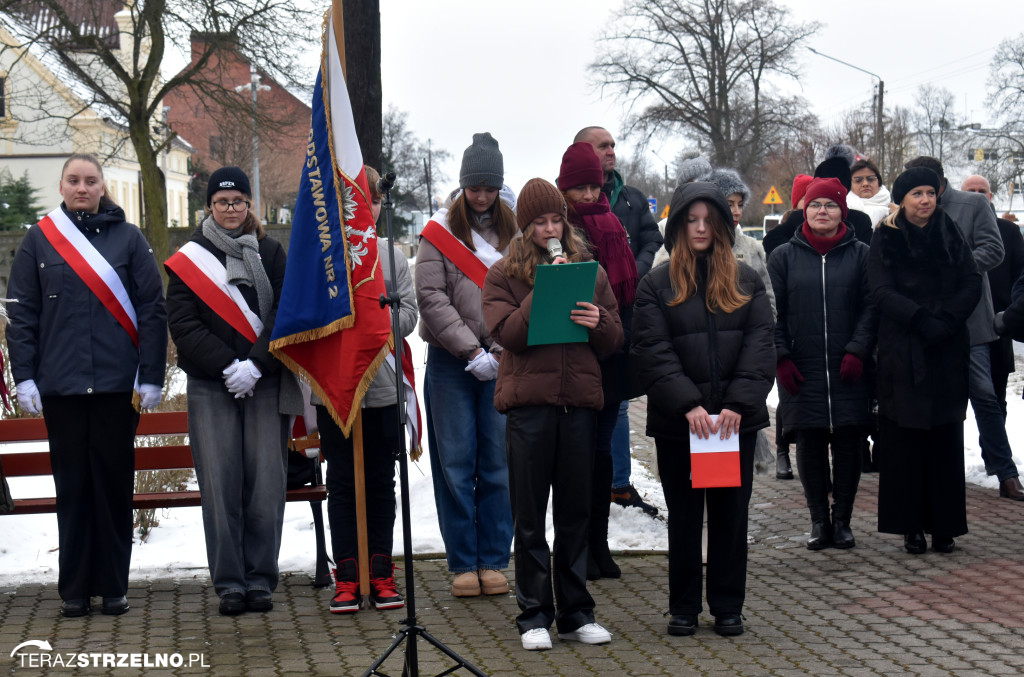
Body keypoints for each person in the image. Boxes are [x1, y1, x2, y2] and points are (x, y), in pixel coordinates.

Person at [7, 153, 167, 618]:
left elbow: (152, 309)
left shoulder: (130, 239)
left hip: (119, 389)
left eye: (90, 180)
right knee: (73, 490)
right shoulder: (39, 241)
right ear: (61, 187)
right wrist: (27, 377)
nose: (82, 187)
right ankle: (74, 589)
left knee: (114, 488)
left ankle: (114, 585)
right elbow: (22, 317)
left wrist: (151, 375)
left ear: (102, 187)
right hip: (62, 390)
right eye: (74, 180)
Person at [483, 178, 622, 651]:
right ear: (524, 227)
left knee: (575, 514)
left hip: (579, 406)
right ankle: (534, 614)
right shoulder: (502, 274)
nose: (549, 229)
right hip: (529, 409)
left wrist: (598, 321)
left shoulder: (592, 271)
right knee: (528, 517)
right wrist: (543, 287)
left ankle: (576, 612)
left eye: (555, 220)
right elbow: (508, 335)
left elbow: (614, 339)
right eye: (539, 222)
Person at [631, 181, 774, 638]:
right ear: (676, 227)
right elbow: (653, 350)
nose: (699, 228)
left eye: (707, 220)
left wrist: (737, 404)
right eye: (690, 220)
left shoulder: (746, 280)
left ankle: (728, 605)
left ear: (722, 225)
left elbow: (761, 346)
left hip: (734, 423)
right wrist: (688, 405)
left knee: (731, 515)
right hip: (680, 424)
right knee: (686, 517)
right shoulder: (656, 285)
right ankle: (684, 607)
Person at [166, 166, 300, 615]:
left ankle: (260, 580)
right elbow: (182, 323)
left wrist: (256, 365)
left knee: (266, 482)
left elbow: (286, 313)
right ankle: (229, 583)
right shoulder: (189, 257)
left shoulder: (272, 252)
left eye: (238, 201)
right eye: (222, 202)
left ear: (250, 205)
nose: (230, 208)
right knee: (220, 486)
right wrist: (228, 365)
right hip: (211, 383)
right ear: (209, 206)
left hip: (264, 380)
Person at [416, 133, 516, 598]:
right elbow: (430, 297)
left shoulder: (514, 233)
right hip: (450, 363)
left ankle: (495, 558)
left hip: (503, 358)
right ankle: (462, 562)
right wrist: (470, 351)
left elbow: (521, 293)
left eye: (489, 188)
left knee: (498, 462)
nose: (481, 196)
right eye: (474, 187)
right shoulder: (438, 232)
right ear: (462, 186)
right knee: (455, 464)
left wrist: (496, 349)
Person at [869, 167, 981, 554]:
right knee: (906, 441)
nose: (925, 200)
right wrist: (919, 319)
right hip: (904, 349)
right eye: (917, 193)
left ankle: (945, 525)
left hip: (947, 348)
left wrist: (947, 320)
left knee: (945, 438)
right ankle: (911, 526)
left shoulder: (949, 230)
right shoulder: (886, 234)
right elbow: (881, 290)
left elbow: (971, 281)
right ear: (902, 198)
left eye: (930, 193)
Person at [320, 166, 415, 614]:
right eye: (355, 201)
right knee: (341, 482)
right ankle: (347, 574)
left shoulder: (391, 257)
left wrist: (376, 328)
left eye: (372, 201)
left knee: (380, 480)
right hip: (336, 389)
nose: (366, 208)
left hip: (381, 389)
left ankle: (380, 571)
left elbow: (411, 315)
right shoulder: (318, 259)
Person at [904, 157, 1024, 500]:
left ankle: (1005, 472)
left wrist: (953, 268)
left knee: (984, 395)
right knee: (933, 401)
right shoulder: (905, 211)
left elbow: (994, 249)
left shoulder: (972, 205)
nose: (925, 196)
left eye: (930, 186)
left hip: (969, 320)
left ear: (942, 181)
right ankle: (937, 475)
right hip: (924, 322)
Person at [768, 177, 876, 550]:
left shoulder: (862, 253)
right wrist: (781, 356)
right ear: (804, 210)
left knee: (848, 444)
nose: (822, 212)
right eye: (815, 205)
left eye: (830, 205)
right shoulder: (783, 256)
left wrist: (858, 350)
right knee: (810, 444)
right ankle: (818, 519)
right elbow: (772, 313)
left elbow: (871, 308)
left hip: (849, 368)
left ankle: (842, 519)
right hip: (803, 367)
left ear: (842, 211)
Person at [556, 142, 639, 581]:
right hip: (570, 356)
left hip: (609, 353)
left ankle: (600, 544)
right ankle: (575, 547)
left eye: (594, 186)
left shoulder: (613, 224)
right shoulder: (557, 229)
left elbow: (627, 294)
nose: (588, 195)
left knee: (602, 451)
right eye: (579, 188)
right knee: (575, 455)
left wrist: (615, 337)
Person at [576, 125, 663, 518]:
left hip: (623, 314)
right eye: (602, 146)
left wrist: (632, 272)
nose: (610, 151)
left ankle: (619, 484)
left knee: (620, 406)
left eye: (612, 145)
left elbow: (651, 242)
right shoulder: (565, 211)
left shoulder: (630, 198)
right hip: (584, 323)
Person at [961, 175, 1024, 419]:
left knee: (995, 400)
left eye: (982, 190)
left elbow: (1020, 274)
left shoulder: (1008, 231)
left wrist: (1012, 314)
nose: (977, 195)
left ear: (990, 196)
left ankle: (994, 455)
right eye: (971, 190)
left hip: (998, 324)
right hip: (961, 322)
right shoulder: (952, 226)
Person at [847, 158, 893, 227]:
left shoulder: (894, 213)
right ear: (850, 185)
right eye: (858, 180)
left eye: (871, 179)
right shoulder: (841, 212)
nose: (865, 184)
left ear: (879, 182)